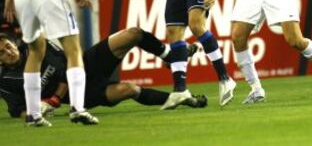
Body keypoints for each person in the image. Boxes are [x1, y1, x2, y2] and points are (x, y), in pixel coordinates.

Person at [0, 28, 207, 119]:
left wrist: (53, 100)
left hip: (86, 65)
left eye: (8, 46)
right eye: (1, 52)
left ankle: (169, 57)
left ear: (13, 43)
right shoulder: (6, 81)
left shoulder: (37, 46)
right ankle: (182, 99)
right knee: (129, 90)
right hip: (82, 95)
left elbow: (65, 69)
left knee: (133, 34)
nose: (8, 52)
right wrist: (35, 113)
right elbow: (17, 109)